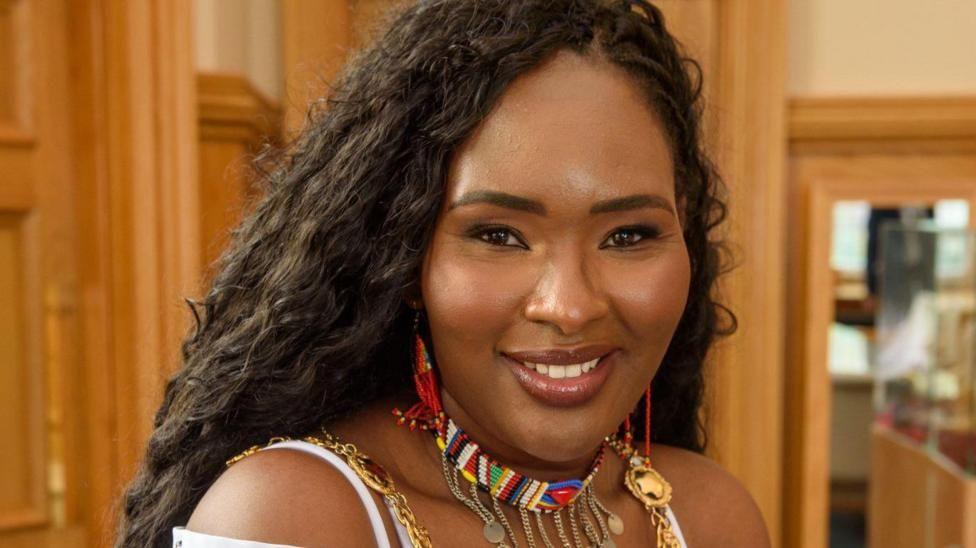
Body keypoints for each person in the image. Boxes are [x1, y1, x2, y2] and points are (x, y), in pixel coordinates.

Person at [118, 1, 769, 546]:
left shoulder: (710, 517)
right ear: (406, 256)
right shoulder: (285, 515)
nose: (569, 307)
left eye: (629, 235)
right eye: (498, 235)